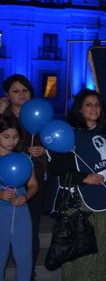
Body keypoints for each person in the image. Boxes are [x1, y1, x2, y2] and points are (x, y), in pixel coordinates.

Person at [48, 89, 106, 281]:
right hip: (80, 202)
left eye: (97, 105)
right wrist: (84, 178)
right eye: (88, 104)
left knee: (103, 250)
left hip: (105, 201)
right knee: (82, 255)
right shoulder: (69, 134)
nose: (94, 108)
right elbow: (56, 168)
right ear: (79, 109)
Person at [1, 74, 48, 276]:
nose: (22, 94)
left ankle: (30, 276)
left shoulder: (41, 116)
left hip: (31, 182)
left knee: (28, 241)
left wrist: (45, 150)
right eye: (16, 91)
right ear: (7, 95)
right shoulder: (4, 115)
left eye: (25, 90)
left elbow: (53, 139)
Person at [0, 115, 38, 281]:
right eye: (6, 137)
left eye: (15, 137)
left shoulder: (23, 158)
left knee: (24, 256)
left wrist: (25, 196)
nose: (11, 142)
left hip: (20, 211)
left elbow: (33, 185)